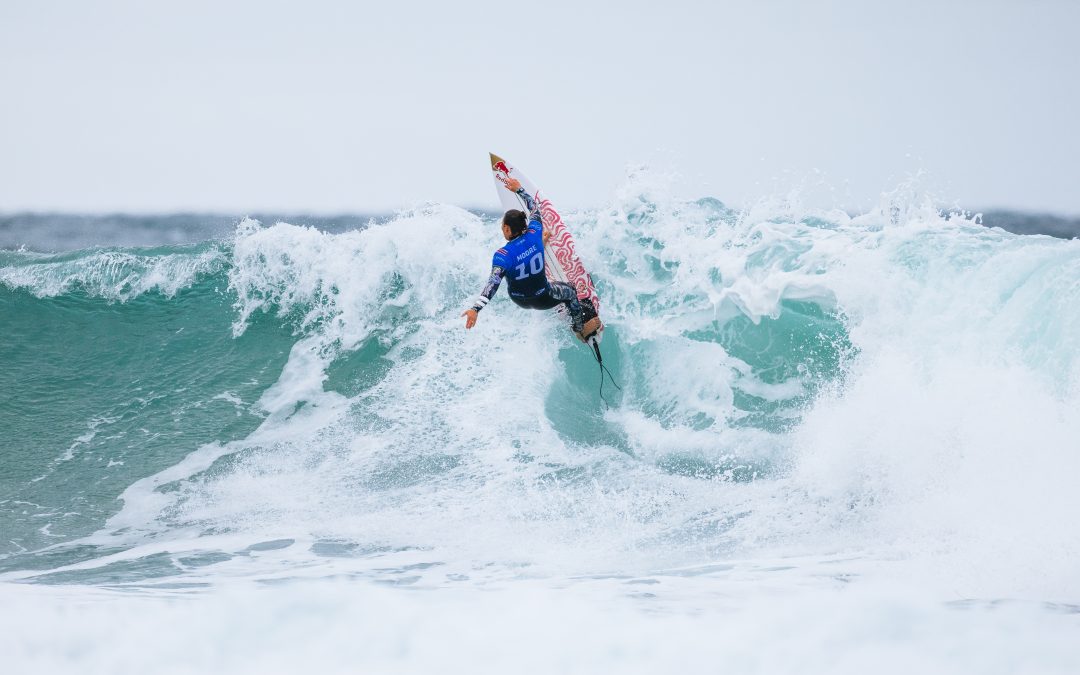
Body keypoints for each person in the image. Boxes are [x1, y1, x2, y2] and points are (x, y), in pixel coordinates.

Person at [462, 178, 593, 337]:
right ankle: (579, 328)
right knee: (571, 290)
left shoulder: (502, 255)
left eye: (503, 227)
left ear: (508, 229)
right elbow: (535, 209)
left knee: (527, 260)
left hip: (519, 300)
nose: (502, 229)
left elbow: (493, 283)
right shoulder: (534, 231)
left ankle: (541, 250)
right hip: (544, 297)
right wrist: (519, 189)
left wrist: (475, 309)